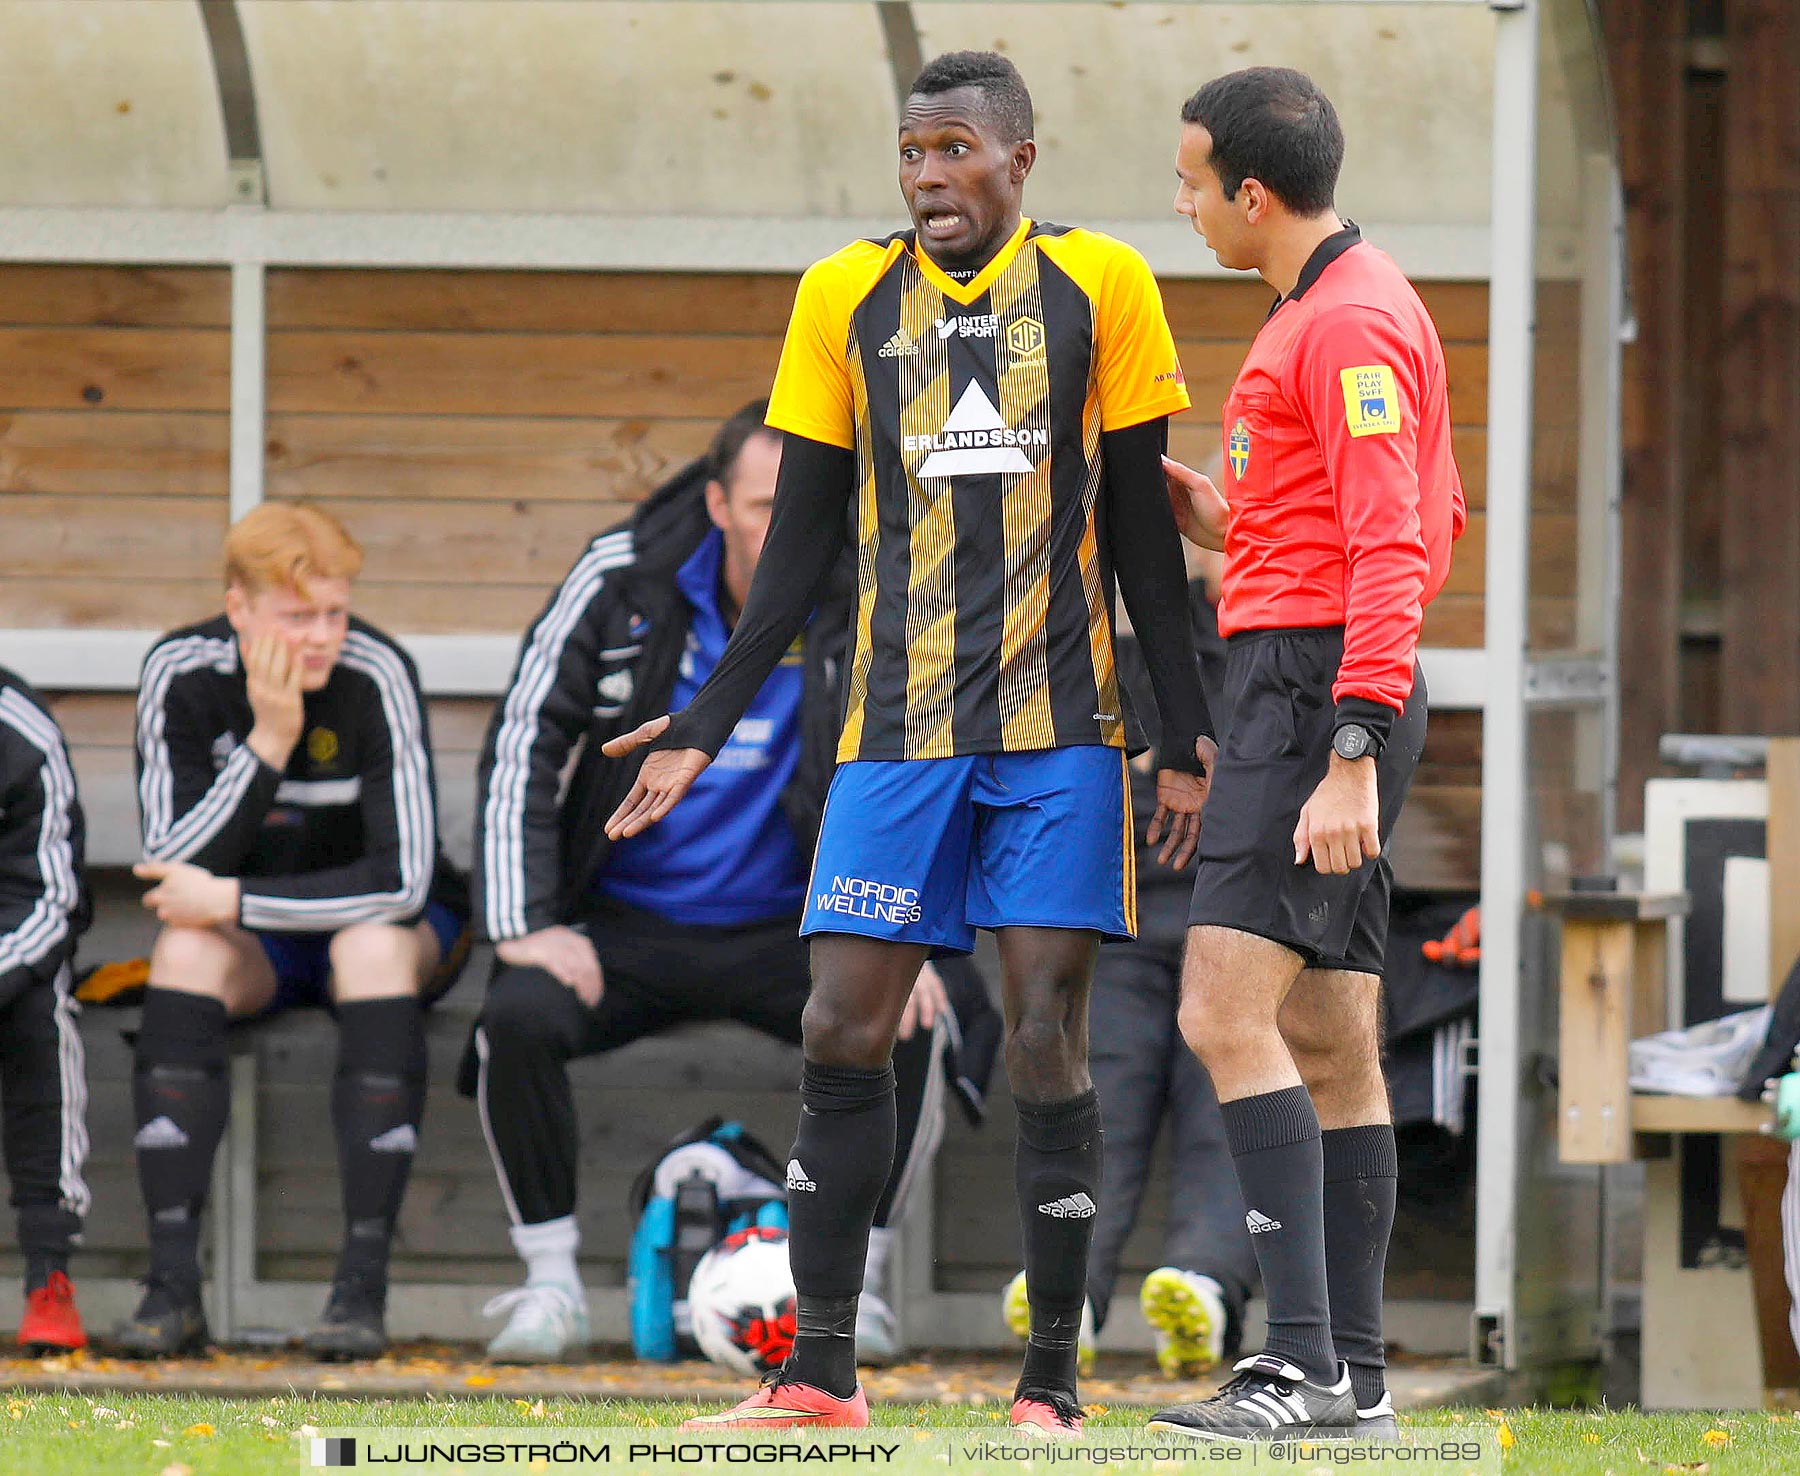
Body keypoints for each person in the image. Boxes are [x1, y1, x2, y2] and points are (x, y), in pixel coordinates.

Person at [604, 51, 1212, 1436]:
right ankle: (820, 1375)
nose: (928, 177)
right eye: (910, 155)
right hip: (894, 735)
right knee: (840, 1026)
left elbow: (1137, 536)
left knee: (1047, 1035)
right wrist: (705, 723)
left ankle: (1051, 1385)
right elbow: (801, 545)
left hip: (1060, 733)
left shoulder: (1106, 284)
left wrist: (1184, 735)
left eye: (953, 151)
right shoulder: (841, 295)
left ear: (1021, 161)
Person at [466, 400, 990, 1366]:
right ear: (715, 504)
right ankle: (547, 1288)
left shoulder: (876, 587)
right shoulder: (623, 580)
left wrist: (906, 932)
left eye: (806, 504)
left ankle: (850, 1293)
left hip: (795, 928)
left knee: (912, 1010)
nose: (786, 525)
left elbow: (931, 763)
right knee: (519, 1012)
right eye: (761, 505)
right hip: (621, 923)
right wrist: (525, 923)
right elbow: (525, 737)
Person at [1149, 68, 1465, 1442]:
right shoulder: (1328, 308)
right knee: (1333, 1038)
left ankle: (1303, 1367)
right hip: (1312, 672)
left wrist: (1350, 746)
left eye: (1190, 180)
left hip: (1312, 699)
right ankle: (1357, 1377)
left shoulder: (1345, 324)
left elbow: (1403, 542)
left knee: (1222, 1014)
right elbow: (1372, 517)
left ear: (1252, 194)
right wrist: (1228, 521)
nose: (1184, 203)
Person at [120, 503, 469, 1359]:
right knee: (185, 948)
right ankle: (171, 1290)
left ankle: (359, 1291)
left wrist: (234, 903)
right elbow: (173, 870)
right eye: (297, 614)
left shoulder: (376, 670)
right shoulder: (182, 669)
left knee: (370, 943)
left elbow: (398, 882)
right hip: (261, 945)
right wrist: (270, 740)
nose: (322, 637)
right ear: (239, 606)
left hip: (389, 929)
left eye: (336, 612)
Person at [1000, 540, 1256, 1380]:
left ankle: (1203, 1285)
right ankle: (1070, 1293)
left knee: (1224, 1084)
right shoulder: (1144, 645)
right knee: (1103, 1079)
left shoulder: (1283, 651)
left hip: (1241, 924)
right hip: (1132, 920)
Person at [0, 666, 92, 1351]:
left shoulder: (19, 726)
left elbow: (49, 898)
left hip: (8, 954)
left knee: (39, 1012)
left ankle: (48, 1275)